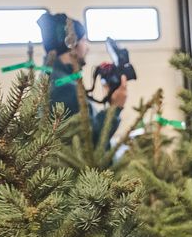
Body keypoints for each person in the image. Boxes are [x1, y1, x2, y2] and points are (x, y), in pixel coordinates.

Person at [38, 12, 129, 141]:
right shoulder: (64, 88)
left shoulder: (51, 77)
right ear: (71, 44)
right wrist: (116, 107)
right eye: (84, 40)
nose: (87, 48)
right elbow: (90, 142)